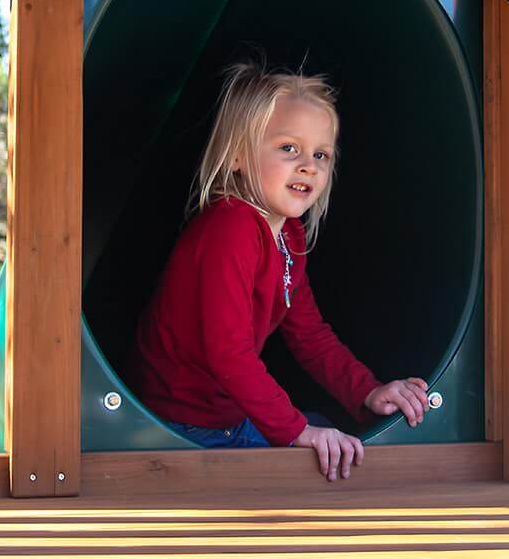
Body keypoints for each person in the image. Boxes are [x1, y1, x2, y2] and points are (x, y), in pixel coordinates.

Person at [124, 61, 429, 481]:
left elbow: (310, 335)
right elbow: (228, 352)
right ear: (237, 155)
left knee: (332, 437)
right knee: (323, 461)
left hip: (227, 417)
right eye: (289, 148)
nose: (309, 165)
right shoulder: (229, 227)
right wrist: (297, 431)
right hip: (182, 427)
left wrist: (368, 391)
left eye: (321, 154)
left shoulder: (289, 235)